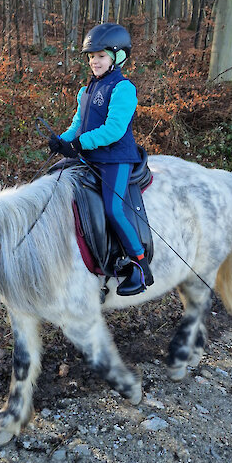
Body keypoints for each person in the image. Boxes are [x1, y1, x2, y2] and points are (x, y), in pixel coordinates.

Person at [49, 22, 154, 296]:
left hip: (115, 159)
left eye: (101, 56)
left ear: (117, 57)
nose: (95, 61)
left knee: (113, 210)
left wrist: (79, 143)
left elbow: (113, 129)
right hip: (89, 157)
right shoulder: (85, 91)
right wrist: (63, 141)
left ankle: (140, 266)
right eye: (92, 56)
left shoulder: (123, 88)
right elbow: (77, 125)